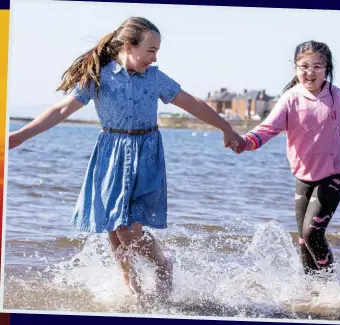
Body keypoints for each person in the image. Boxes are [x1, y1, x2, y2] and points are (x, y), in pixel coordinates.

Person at [8, 16, 243, 297]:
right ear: (129, 47)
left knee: (129, 229)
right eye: (151, 50)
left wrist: (225, 127)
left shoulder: (155, 78)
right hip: (111, 153)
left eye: (157, 52)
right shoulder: (99, 76)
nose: (154, 59)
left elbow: (191, 103)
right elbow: (60, 110)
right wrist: (20, 135)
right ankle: (132, 289)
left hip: (146, 154)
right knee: (113, 228)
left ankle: (163, 264)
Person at [228, 40, 340, 276]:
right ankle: (311, 289)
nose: (310, 72)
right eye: (304, 66)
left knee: (312, 233)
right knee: (304, 241)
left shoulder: (337, 97)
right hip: (303, 178)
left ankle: (332, 286)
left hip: (332, 176)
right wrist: (245, 143)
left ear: (327, 69)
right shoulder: (290, 98)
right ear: (295, 68)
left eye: (317, 66)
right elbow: (267, 129)